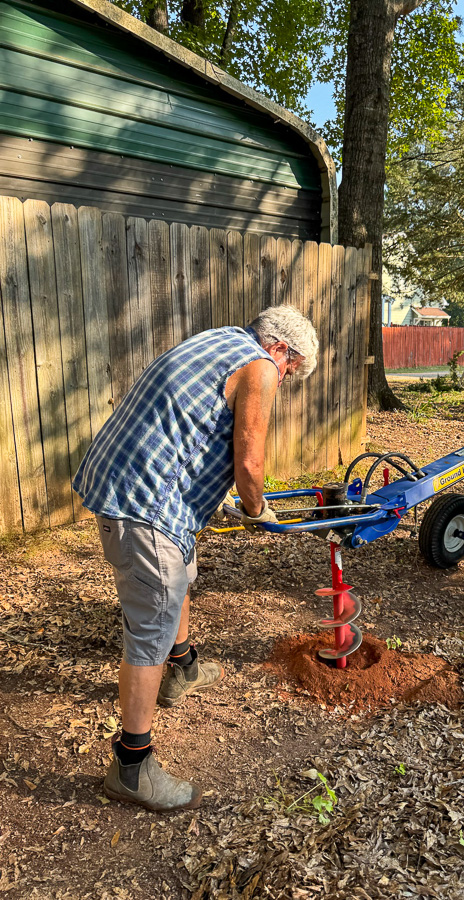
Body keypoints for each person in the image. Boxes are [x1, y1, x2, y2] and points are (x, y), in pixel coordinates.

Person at [73, 305, 318, 811]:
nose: (284, 379)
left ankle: (181, 669)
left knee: (181, 573)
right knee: (151, 624)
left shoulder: (223, 340)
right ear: (281, 350)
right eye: (291, 371)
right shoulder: (261, 366)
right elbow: (249, 458)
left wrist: (218, 496)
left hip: (122, 482)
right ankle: (131, 766)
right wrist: (257, 507)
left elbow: (191, 425)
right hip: (146, 504)